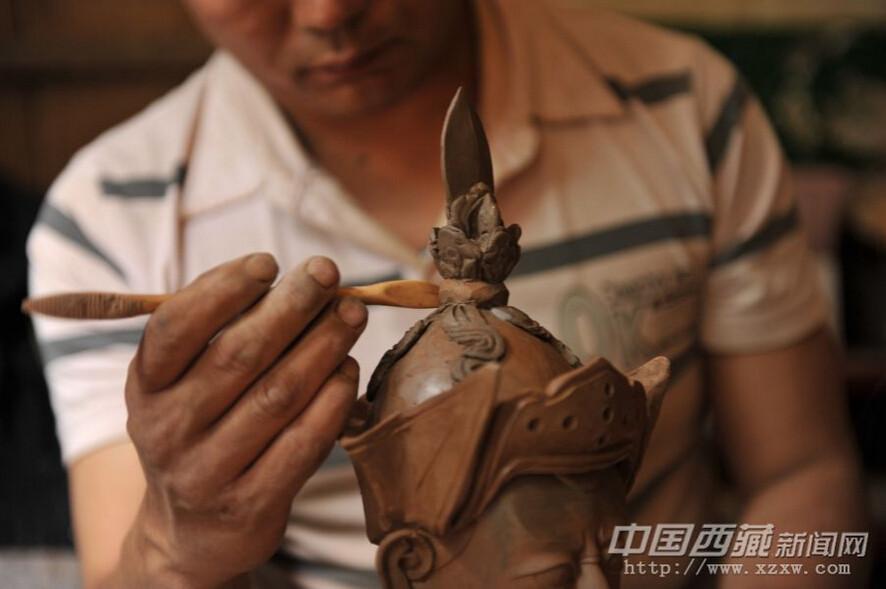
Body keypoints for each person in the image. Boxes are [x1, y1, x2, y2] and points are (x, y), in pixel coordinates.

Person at [26, 1, 867, 587]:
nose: (328, 13)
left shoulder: (686, 108)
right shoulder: (111, 216)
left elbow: (804, 470)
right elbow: (128, 571)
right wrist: (176, 544)